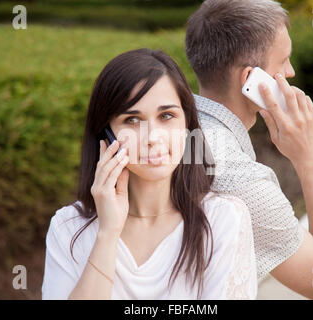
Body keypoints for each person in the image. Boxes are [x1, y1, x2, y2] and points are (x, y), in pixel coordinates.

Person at [41, 48, 257, 299]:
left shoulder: (222, 218)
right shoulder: (68, 227)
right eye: (132, 120)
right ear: (107, 134)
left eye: (166, 116)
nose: (152, 137)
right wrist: (108, 233)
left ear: (186, 124)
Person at [185, 0, 313, 299]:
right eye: (284, 61)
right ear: (249, 79)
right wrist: (310, 158)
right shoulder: (240, 179)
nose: (290, 72)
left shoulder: (168, 126)